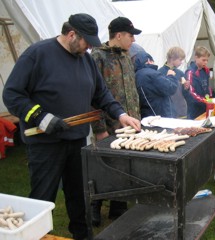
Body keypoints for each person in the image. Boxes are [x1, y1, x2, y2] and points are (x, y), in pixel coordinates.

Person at [2, 13, 141, 240]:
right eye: (86, 41)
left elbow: (101, 93)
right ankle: (33, 236)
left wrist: (121, 114)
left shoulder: (85, 59)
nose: (88, 48)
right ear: (71, 34)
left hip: (77, 139)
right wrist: (41, 117)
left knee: (79, 194)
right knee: (42, 196)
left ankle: (83, 235)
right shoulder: (37, 54)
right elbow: (12, 94)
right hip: (45, 143)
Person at [90, 16, 142, 226]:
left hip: (129, 124)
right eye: (130, 36)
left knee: (124, 166)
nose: (133, 40)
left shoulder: (127, 56)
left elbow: (131, 90)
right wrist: (99, 127)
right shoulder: (97, 57)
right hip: (108, 125)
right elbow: (91, 95)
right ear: (118, 35)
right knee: (102, 168)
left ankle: (118, 207)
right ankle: (94, 207)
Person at [134, 51, 178, 118]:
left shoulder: (136, 75)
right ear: (149, 60)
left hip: (146, 115)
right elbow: (170, 87)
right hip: (160, 116)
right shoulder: (151, 73)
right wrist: (171, 76)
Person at [183, 46, 213, 119]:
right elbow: (191, 92)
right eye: (203, 60)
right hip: (194, 108)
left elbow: (207, 87)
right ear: (196, 58)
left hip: (204, 106)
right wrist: (204, 100)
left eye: (207, 60)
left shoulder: (206, 70)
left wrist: (210, 97)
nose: (205, 62)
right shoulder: (190, 72)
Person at [158, 46, 188, 118]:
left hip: (181, 110)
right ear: (172, 58)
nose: (181, 63)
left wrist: (187, 88)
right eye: (180, 60)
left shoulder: (180, 73)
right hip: (168, 112)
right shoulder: (160, 73)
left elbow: (185, 93)